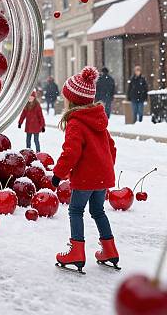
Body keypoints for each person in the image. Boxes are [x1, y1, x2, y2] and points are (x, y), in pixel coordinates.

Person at [52, 66, 118, 273]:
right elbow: (111, 147)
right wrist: (104, 168)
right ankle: (110, 250)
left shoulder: (76, 122)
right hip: (102, 177)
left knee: (75, 210)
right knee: (98, 211)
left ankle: (76, 252)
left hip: (86, 178)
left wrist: (57, 174)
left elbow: (70, 153)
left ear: (72, 100)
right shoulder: (99, 119)